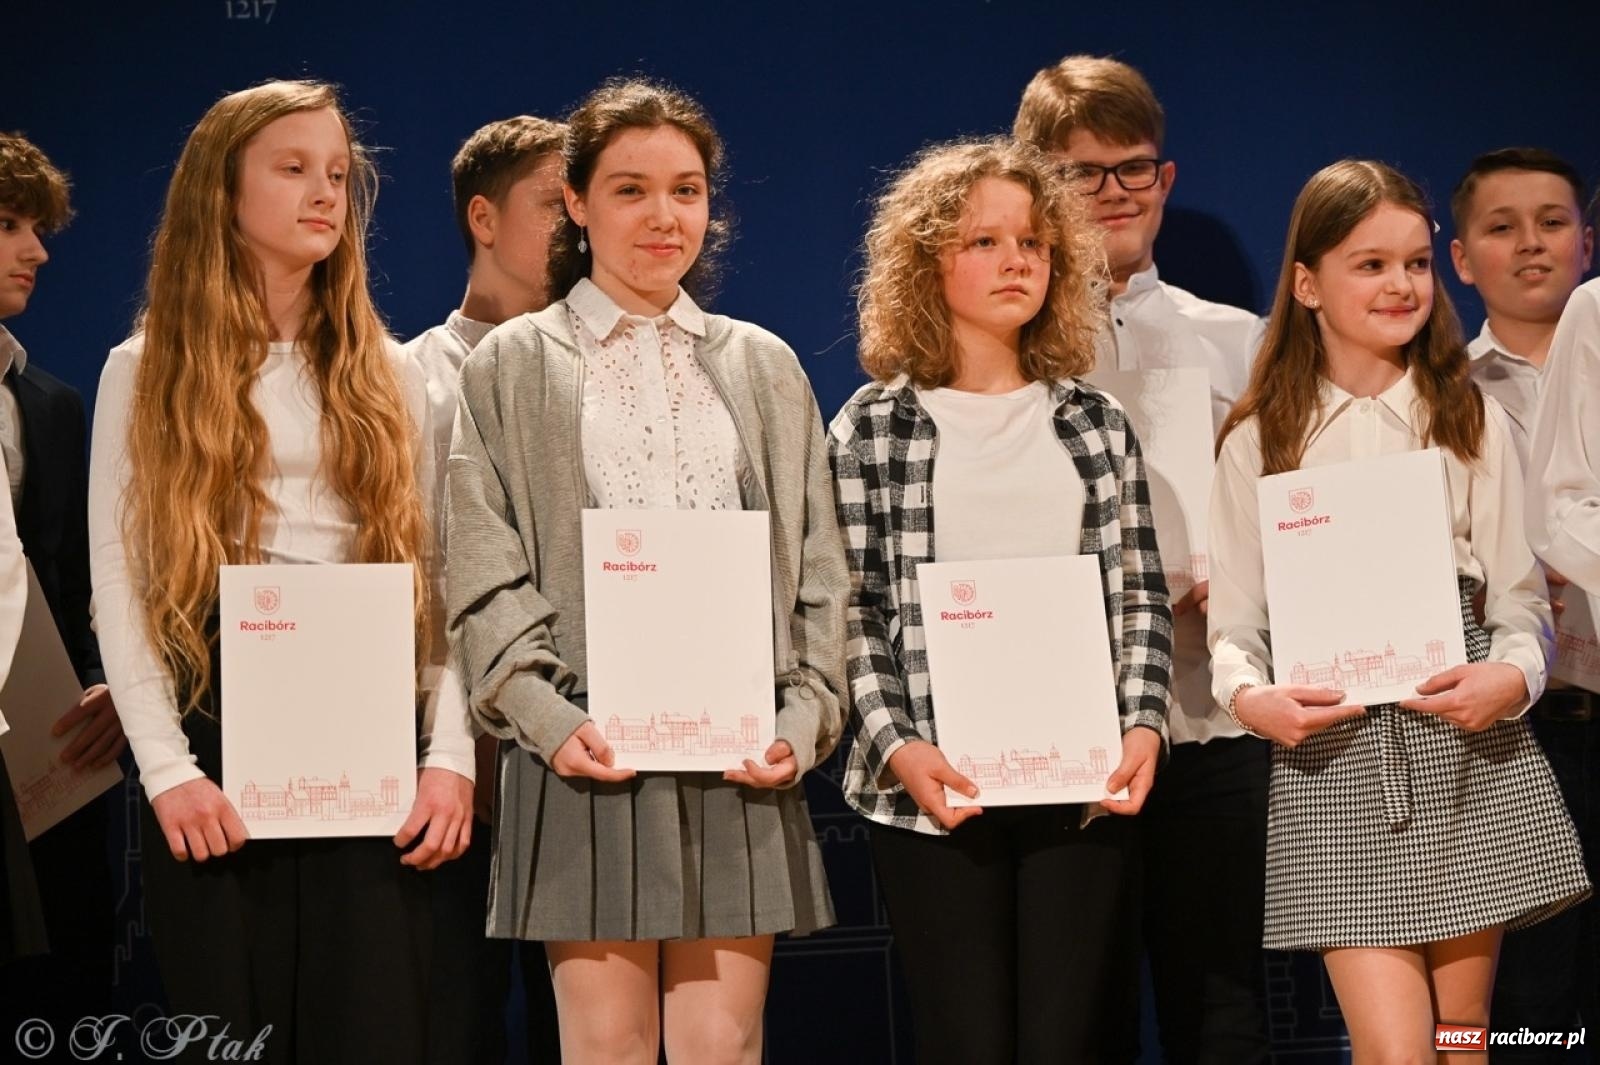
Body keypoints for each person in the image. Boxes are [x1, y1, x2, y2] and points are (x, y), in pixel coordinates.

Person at [446, 78, 846, 1065]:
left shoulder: (762, 365)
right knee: (607, 1047)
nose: (664, 217)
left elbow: (822, 576)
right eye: (630, 190)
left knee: (723, 1046)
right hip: (588, 754)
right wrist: (546, 717)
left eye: (687, 190)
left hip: (740, 760)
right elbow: (479, 564)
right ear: (576, 202)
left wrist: (802, 721)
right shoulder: (510, 364)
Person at [88, 79, 474, 1063]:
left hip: (372, 728)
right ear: (222, 192)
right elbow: (120, 586)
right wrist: (168, 772)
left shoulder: (392, 372)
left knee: (378, 1027)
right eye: (294, 168)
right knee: (235, 1029)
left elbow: (444, 577)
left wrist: (448, 756)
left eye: (338, 174)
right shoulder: (144, 370)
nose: (325, 194)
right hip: (217, 724)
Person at [1209, 158, 1590, 1062]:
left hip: (1465, 750)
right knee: (1394, 1051)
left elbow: (1518, 601)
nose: (1401, 284)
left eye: (1416, 263)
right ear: (1307, 283)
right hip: (1336, 761)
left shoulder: (1469, 416)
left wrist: (1513, 673)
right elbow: (1233, 629)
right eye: (1369, 264)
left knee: (1464, 1045)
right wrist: (1251, 698)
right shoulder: (1262, 438)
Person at [828, 136, 1171, 1065]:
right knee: (966, 1039)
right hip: (935, 792)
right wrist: (900, 746)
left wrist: (1143, 724)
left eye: (1032, 242)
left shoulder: (1092, 420)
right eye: (984, 241)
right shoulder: (874, 424)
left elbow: (1139, 590)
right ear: (926, 260)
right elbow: (852, 610)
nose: (1016, 259)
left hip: (1084, 785)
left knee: (1072, 1041)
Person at [1014, 56, 1270, 1063]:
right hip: (1058, 725)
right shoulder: (1006, 353)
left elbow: (1284, 514)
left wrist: (1242, 574)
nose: (1114, 191)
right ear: (1037, 181)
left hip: (1208, 718)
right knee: (1083, 1014)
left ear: (1165, 181)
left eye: (1133, 168)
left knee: (1222, 1004)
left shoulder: (1235, 343)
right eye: (1084, 172)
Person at [405, 112, 568, 1065]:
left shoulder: (609, 373)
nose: (575, 226)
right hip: (446, 769)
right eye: (553, 204)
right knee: (449, 1024)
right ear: (483, 216)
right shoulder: (409, 379)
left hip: (579, 762)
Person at [1449, 147, 1597, 1058]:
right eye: (1502, 228)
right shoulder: (1446, 398)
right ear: (1462, 259)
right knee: (1541, 990)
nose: (1531, 244)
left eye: (1552, 221)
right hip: (1529, 724)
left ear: (1587, 238)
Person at [0, 131, 125, 1020]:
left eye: (38, 228)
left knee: (59, 988)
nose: (36, 251)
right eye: (8, 225)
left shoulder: (47, 402)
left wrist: (100, 682)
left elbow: (73, 578)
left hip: (43, 758)